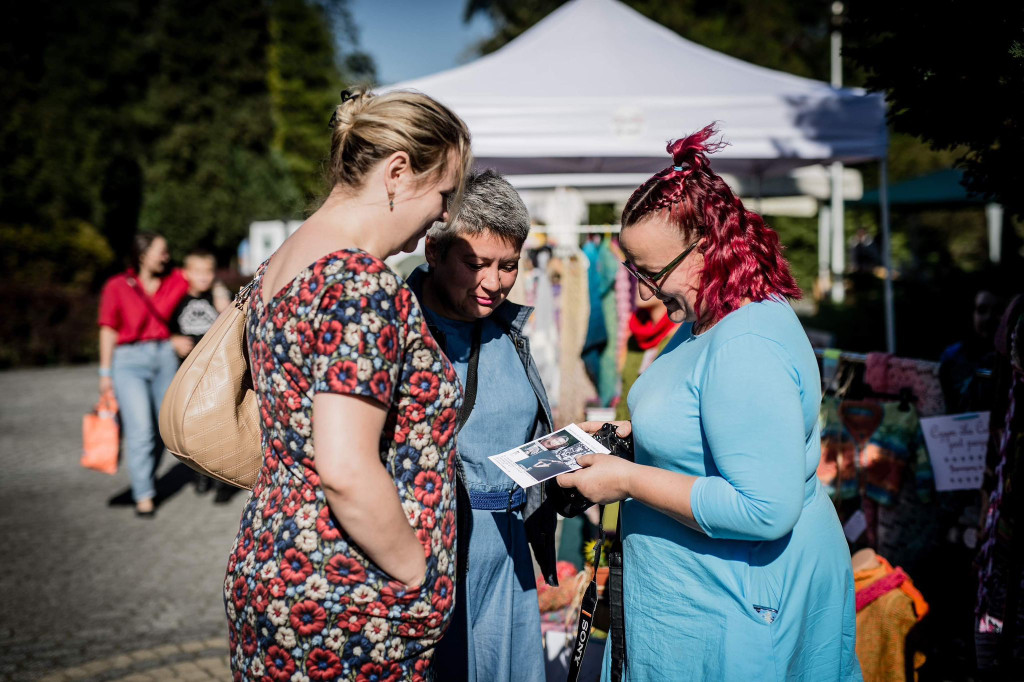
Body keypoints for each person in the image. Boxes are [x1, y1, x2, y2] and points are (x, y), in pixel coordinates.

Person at [556, 125, 861, 680]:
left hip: (741, 612)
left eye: (652, 274)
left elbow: (762, 508)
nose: (643, 293)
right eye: (634, 272)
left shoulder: (746, 341)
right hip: (700, 605)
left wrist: (625, 480)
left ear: (710, 248)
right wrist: (631, 434)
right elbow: (698, 416)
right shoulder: (709, 314)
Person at [224, 89, 472, 680]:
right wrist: (419, 574)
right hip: (348, 595)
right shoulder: (359, 285)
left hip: (276, 560)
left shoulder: (281, 264)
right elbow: (345, 467)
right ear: (397, 172)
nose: (441, 215)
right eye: (443, 193)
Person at [405, 170, 558, 681]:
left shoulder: (508, 331)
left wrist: (575, 456)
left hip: (509, 557)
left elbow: (513, 450)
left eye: (508, 265)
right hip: (435, 561)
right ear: (434, 250)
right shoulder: (398, 330)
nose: (493, 282)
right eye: (476, 264)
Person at [97, 233, 188, 517]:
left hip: (163, 356)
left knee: (166, 428)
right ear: (142, 254)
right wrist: (105, 373)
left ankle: (144, 478)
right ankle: (144, 495)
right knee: (140, 431)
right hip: (128, 361)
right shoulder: (116, 286)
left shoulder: (175, 281)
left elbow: (203, 284)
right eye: (161, 251)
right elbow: (108, 328)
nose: (166, 256)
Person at [168, 249, 234, 498]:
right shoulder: (178, 300)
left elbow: (231, 319)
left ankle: (219, 476)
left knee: (216, 423)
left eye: (208, 271)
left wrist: (220, 294)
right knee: (193, 426)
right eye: (197, 272)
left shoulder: (217, 297)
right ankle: (200, 473)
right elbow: (164, 326)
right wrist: (172, 340)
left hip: (214, 372)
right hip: (186, 374)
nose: (203, 277)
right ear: (186, 273)